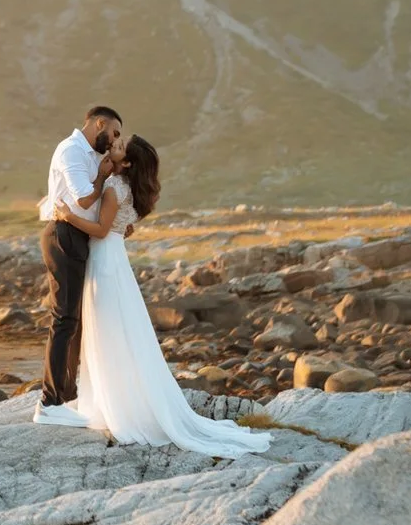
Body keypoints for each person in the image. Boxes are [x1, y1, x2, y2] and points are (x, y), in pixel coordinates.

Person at [59, 134, 272, 455]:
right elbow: (120, 228)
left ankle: (113, 406)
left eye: (118, 147)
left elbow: (101, 230)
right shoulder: (127, 186)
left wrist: (68, 217)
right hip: (115, 258)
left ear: (126, 162)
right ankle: (113, 401)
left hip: (105, 261)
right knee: (117, 331)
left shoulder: (115, 187)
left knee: (108, 332)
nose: (112, 146)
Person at [30, 105, 120, 423]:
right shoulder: (71, 150)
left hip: (75, 235)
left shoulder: (91, 154)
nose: (115, 140)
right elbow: (82, 199)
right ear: (99, 124)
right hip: (63, 234)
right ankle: (49, 403)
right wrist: (102, 176)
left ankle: (66, 397)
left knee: (74, 320)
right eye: (114, 132)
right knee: (64, 319)